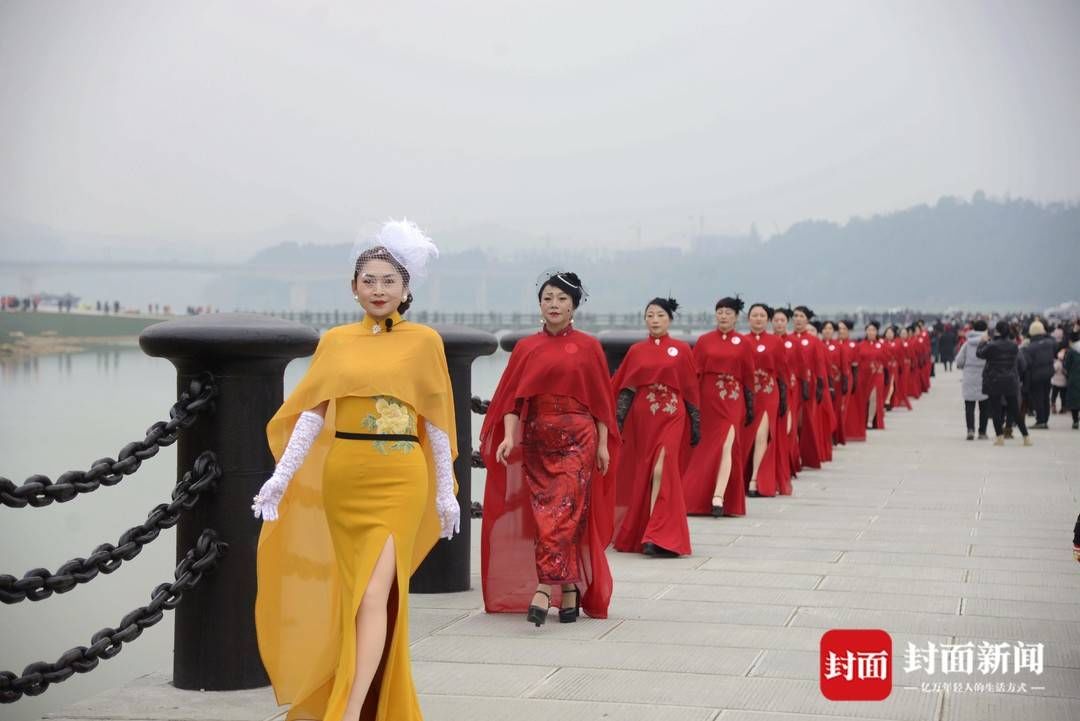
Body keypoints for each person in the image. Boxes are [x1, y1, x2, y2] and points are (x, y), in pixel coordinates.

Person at [253, 220, 459, 721]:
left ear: (406, 288)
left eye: (389, 280)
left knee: (374, 592)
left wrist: (445, 492)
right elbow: (311, 413)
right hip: (345, 478)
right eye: (369, 280)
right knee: (357, 594)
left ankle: (347, 712)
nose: (379, 289)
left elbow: (433, 420)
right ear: (353, 287)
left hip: (400, 479)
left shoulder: (424, 341)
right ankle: (359, 703)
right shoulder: (337, 342)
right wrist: (281, 477)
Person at [480, 270, 619, 626]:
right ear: (540, 305)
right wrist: (510, 438)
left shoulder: (589, 347)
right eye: (548, 298)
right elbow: (512, 401)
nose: (554, 305)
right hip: (538, 441)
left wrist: (603, 445)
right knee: (549, 517)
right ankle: (569, 589)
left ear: (574, 306)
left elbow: (602, 403)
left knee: (566, 510)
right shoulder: (527, 348)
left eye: (562, 299)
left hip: (580, 439)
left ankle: (544, 588)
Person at [611, 297, 699, 557]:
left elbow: (690, 390)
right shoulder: (637, 351)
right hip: (644, 418)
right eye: (650, 315)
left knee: (663, 466)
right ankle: (648, 531)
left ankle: (657, 531)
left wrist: (696, 422)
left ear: (669, 319)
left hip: (673, 414)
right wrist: (618, 421)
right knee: (646, 471)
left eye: (660, 315)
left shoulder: (681, 349)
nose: (655, 320)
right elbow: (626, 388)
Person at [683, 296, 755, 517]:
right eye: (720, 312)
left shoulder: (743, 344)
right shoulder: (704, 341)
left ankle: (719, 495)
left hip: (733, 399)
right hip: (709, 398)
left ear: (736, 317)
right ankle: (696, 496)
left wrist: (750, 407)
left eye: (728, 312)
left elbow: (749, 378)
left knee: (727, 443)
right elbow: (693, 375)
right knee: (707, 448)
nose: (723, 316)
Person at [742, 302, 790, 497]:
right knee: (747, 436)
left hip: (769, 393)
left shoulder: (775, 342)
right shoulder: (742, 341)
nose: (758, 319)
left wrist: (784, 400)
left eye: (762, 316)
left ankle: (755, 478)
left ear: (768, 320)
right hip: (747, 393)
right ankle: (741, 478)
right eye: (755, 315)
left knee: (762, 433)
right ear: (748, 318)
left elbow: (782, 372)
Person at [976, 321, 1031, 446]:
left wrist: (983, 341)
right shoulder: (1013, 346)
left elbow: (979, 354)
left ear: (997, 331)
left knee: (996, 410)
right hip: (1010, 380)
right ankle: (1026, 437)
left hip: (994, 380)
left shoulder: (992, 345)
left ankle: (999, 437)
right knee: (1015, 410)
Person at [790, 306, 829, 468]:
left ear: (807, 320)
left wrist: (820, 387)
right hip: (791, 385)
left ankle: (806, 455)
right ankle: (793, 455)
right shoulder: (787, 339)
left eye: (801, 316)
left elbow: (820, 365)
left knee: (804, 422)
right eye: (796, 316)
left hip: (809, 386)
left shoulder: (814, 341)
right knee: (791, 422)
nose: (798, 319)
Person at [956, 320, 990, 440]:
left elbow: (959, 361)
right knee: (984, 407)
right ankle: (982, 432)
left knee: (969, 406)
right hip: (984, 377)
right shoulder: (988, 343)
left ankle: (970, 430)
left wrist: (965, 367)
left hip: (969, 377)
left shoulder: (967, 344)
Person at [1023, 320, 1056, 429]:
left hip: (1036, 376)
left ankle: (1040, 421)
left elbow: (1026, 363)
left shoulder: (1030, 347)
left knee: (1038, 399)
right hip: (1049, 374)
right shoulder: (1050, 342)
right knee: (1046, 397)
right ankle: (1045, 420)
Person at [854, 321, 888, 430]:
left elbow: (886, 360)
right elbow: (856, 360)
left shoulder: (881, 345)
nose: (871, 332)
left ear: (877, 332)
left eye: (873, 330)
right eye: (869, 330)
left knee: (874, 396)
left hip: (877, 375)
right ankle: (861, 419)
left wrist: (882, 368)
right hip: (863, 375)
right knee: (864, 398)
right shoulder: (860, 345)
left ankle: (870, 420)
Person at [1064, 331, 1080, 430]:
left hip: (1074, 379)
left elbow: (1066, 366)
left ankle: (1075, 421)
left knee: (1075, 402)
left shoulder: (1071, 352)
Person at [1051, 344, 1068, 414]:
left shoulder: (1057, 363)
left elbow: (1053, 370)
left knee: (1054, 395)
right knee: (1063, 396)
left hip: (1056, 382)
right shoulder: (1066, 363)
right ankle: (1063, 407)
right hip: (1064, 383)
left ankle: (1053, 406)